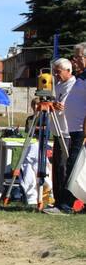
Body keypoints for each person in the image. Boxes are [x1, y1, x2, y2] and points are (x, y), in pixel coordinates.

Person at [48, 69, 86, 214]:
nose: (75, 60)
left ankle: (66, 205)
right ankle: (63, 202)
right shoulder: (79, 78)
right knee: (75, 167)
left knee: (74, 166)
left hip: (76, 130)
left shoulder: (76, 81)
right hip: (70, 129)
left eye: (78, 57)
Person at [47, 58, 75, 211]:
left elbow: (63, 106)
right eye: (54, 72)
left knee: (63, 167)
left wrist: (55, 105)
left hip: (67, 132)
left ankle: (64, 202)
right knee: (57, 167)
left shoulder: (73, 85)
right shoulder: (58, 85)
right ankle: (57, 200)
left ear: (68, 71)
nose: (56, 75)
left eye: (58, 72)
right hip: (57, 131)